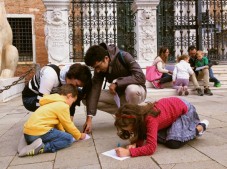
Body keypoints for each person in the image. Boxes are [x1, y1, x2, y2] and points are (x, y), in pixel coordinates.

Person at [83, 43, 147, 133]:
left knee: (131, 90)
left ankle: (132, 118)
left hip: (137, 92)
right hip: (118, 95)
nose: (97, 70)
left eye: (98, 67)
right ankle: (123, 113)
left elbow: (141, 77)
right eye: (94, 68)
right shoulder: (99, 68)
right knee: (87, 98)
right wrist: (89, 119)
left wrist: (117, 83)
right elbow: (95, 90)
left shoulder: (124, 56)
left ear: (106, 58)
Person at [114, 97, 209, 157]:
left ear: (135, 120)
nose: (129, 130)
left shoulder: (150, 118)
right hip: (172, 111)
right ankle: (174, 129)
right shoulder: (140, 117)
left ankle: (200, 127)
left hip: (185, 109)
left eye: (129, 128)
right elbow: (142, 133)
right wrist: (136, 144)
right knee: (153, 135)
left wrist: (129, 153)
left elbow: (151, 148)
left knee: (173, 142)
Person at [18, 84, 87, 157]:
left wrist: (62, 132)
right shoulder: (63, 106)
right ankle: (41, 148)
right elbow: (68, 124)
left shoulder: (51, 101)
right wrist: (79, 135)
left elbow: (59, 123)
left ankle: (28, 142)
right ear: (69, 96)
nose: (72, 104)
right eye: (73, 101)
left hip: (28, 131)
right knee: (68, 139)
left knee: (59, 134)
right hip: (38, 132)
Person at [22, 63, 92, 119]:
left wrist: (70, 121)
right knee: (59, 100)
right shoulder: (50, 75)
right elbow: (41, 102)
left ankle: (67, 119)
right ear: (73, 76)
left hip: (45, 97)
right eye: (76, 84)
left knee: (76, 93)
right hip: (30, 99)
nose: (76, 87)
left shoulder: (67, 75)